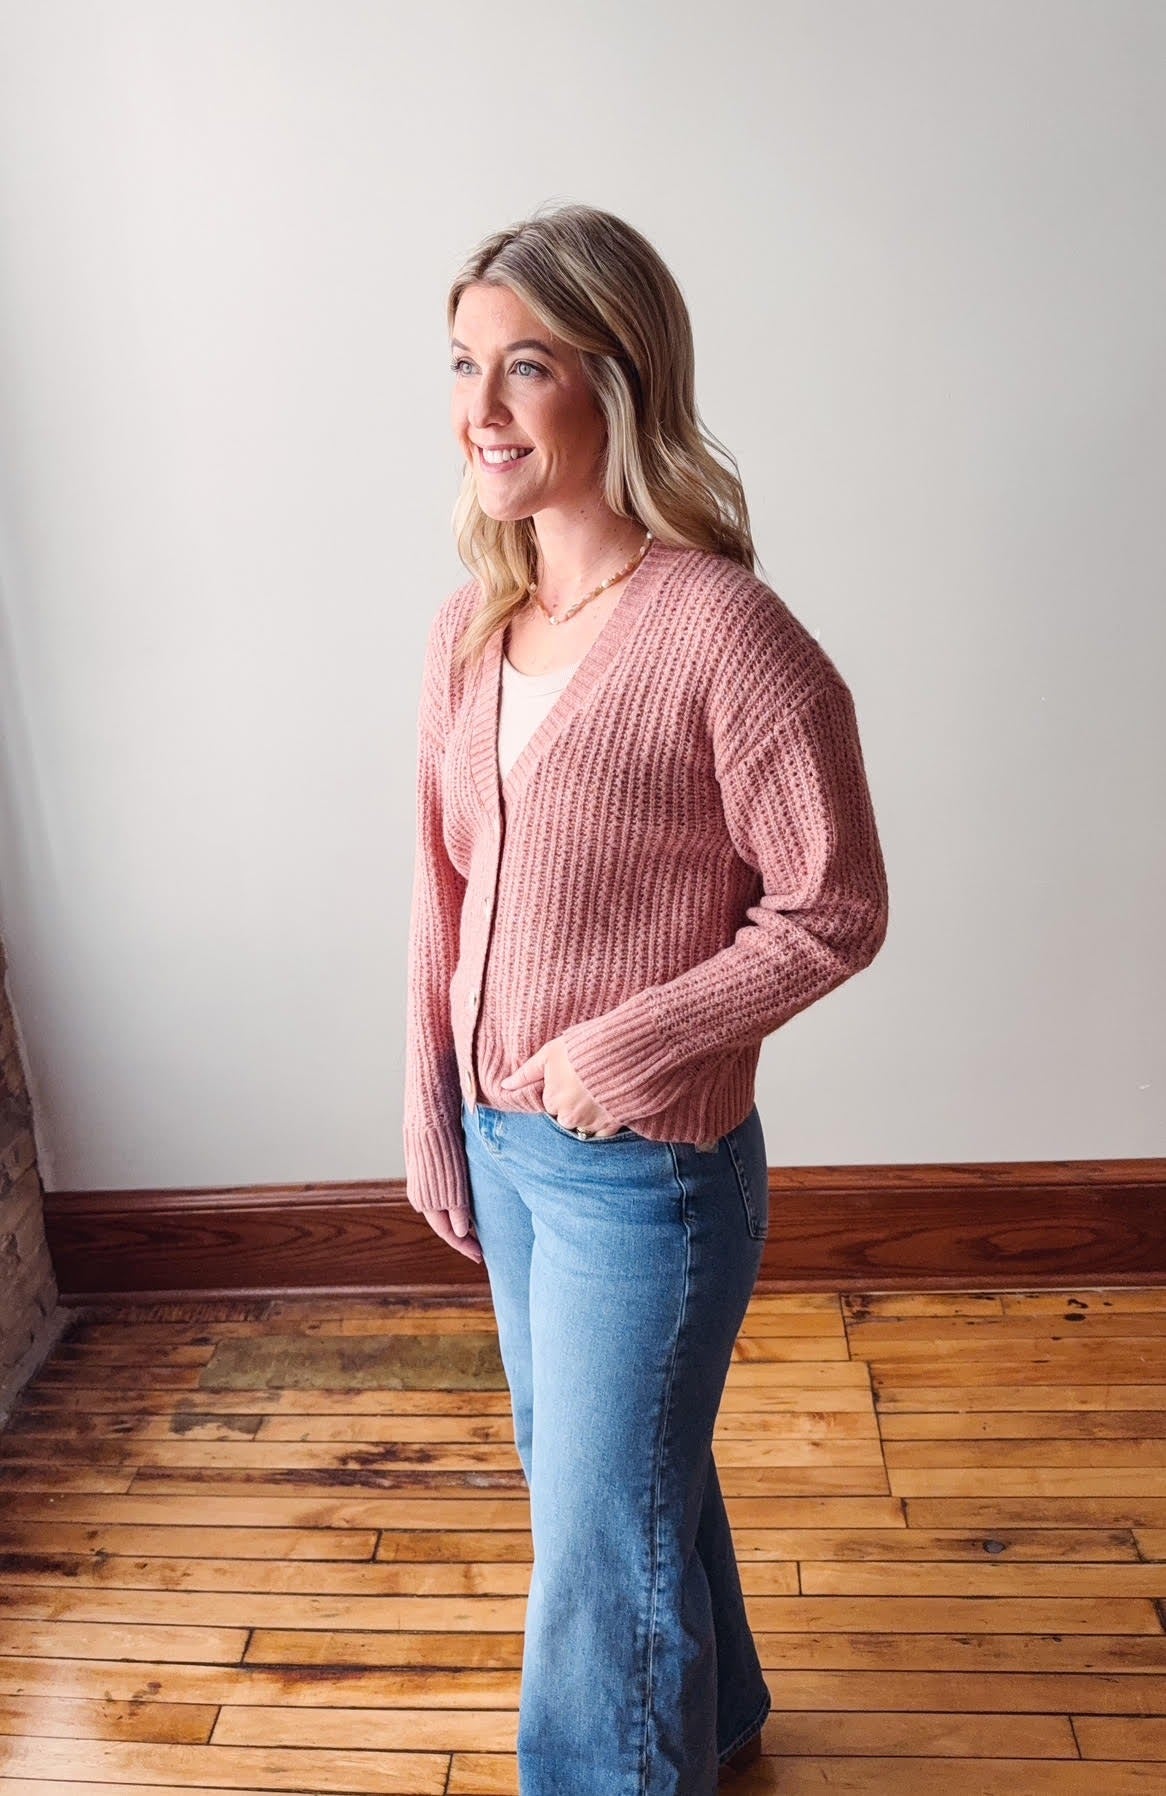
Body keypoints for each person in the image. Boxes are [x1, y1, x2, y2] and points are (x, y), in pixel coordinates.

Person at [403, 202, 889, 1795]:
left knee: (594, 1543)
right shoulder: (475, 628)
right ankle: (720, 1714)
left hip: (647, 1178)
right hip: (506, 1146)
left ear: (618, 382)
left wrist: (630, 1040)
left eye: (523, 367)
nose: (478, 410)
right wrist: (435, 1107)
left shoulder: (726, 635)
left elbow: (833, 905)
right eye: (463, 364)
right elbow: (443, 891)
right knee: (603, 1486)